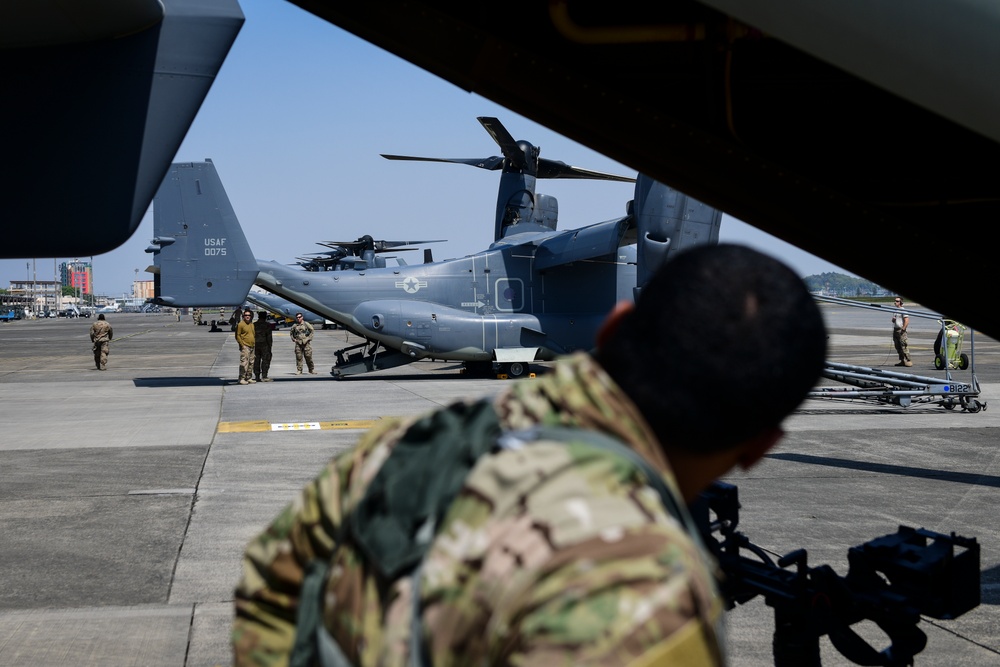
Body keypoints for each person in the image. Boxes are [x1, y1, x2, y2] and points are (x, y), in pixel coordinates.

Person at [231, 244, 827, 666]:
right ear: (760, 447)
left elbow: (270, 582)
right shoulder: (644, 598)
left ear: (617, 328)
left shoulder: (411, 444)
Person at [235, 309, 256, 385]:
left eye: (249, 315)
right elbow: (237, 335)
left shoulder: (251, 324)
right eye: (246, 315)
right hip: (245, 346)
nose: (247, 317)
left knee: (251, 362)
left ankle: (249, 377)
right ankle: (241, 378)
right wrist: (242, 345)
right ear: (243, 316)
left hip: (252, 346)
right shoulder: (241, 324)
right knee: (244, 363)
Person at [891, 297, 912, 367]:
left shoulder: (903, 310)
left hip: (901, 330)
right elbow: (894, 320)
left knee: (904, 346)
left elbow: (906, 321)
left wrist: (903, 329)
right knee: (897, 346)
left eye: (897, 301)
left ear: (900, 302)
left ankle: (908, 360)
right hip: (895, 330)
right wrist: (893, 320)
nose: (895, 302)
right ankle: (902, 360)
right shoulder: (895, 310)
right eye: (895, 301)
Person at [253, 311, 274, 382]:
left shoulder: (254, 325)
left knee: (256, 360)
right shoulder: (267, 325)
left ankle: (257, 376)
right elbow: (269, 337)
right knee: (265, 360)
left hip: (255, 345)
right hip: (264, 345)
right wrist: (270, 346)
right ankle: (264, 376)